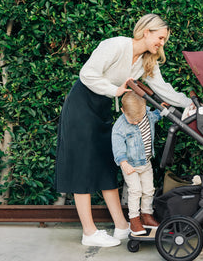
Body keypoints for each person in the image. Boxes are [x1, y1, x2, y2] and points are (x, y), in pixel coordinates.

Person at [54, 14, 193, 247]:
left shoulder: (147, 61)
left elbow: (163, 89)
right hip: (81, 105)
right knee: (83, 166)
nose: (162, 43)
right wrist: (115, 90)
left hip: (102, 108)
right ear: (146, 31)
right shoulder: (116, 45)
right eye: (160, 37)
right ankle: (89, 232)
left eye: (164, 40)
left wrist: (189, 104)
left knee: (109, 164)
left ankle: (121, 226)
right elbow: (86, 74)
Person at [112, 91, 161, 235]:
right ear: (123, 111)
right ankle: (134, 220)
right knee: (135, 191)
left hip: (146, 162)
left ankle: (146, 215)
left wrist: (162, 110)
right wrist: (123, 162)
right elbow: (118, 147)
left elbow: (154, 117)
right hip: (131, 166)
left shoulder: (145, 114)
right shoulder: (119, 128)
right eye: (132, 120)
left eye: (139, 119)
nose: (136, 122)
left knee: (148, 189)